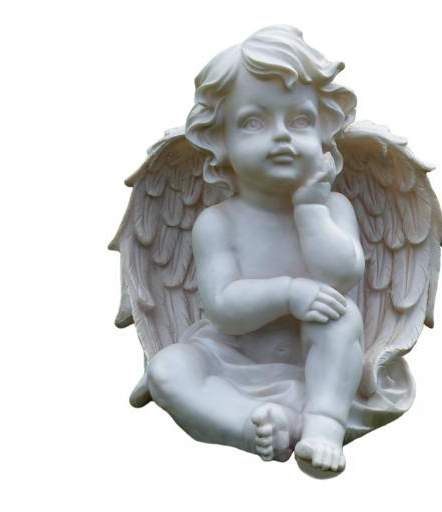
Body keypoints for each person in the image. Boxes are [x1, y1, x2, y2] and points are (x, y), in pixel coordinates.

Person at [142, 25, 364, 475]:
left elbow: (343, 276)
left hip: (315, 368)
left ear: (324, 134)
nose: (281, 136)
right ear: (220, 141)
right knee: (166, 369)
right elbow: (223, 307)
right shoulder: (218, 222)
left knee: (340, 315)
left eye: (299, 121)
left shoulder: (333, 207)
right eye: (253, 122)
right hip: (229, 359)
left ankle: (323, 426)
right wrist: (288, 292)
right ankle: (252, 425)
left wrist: (309, 210)